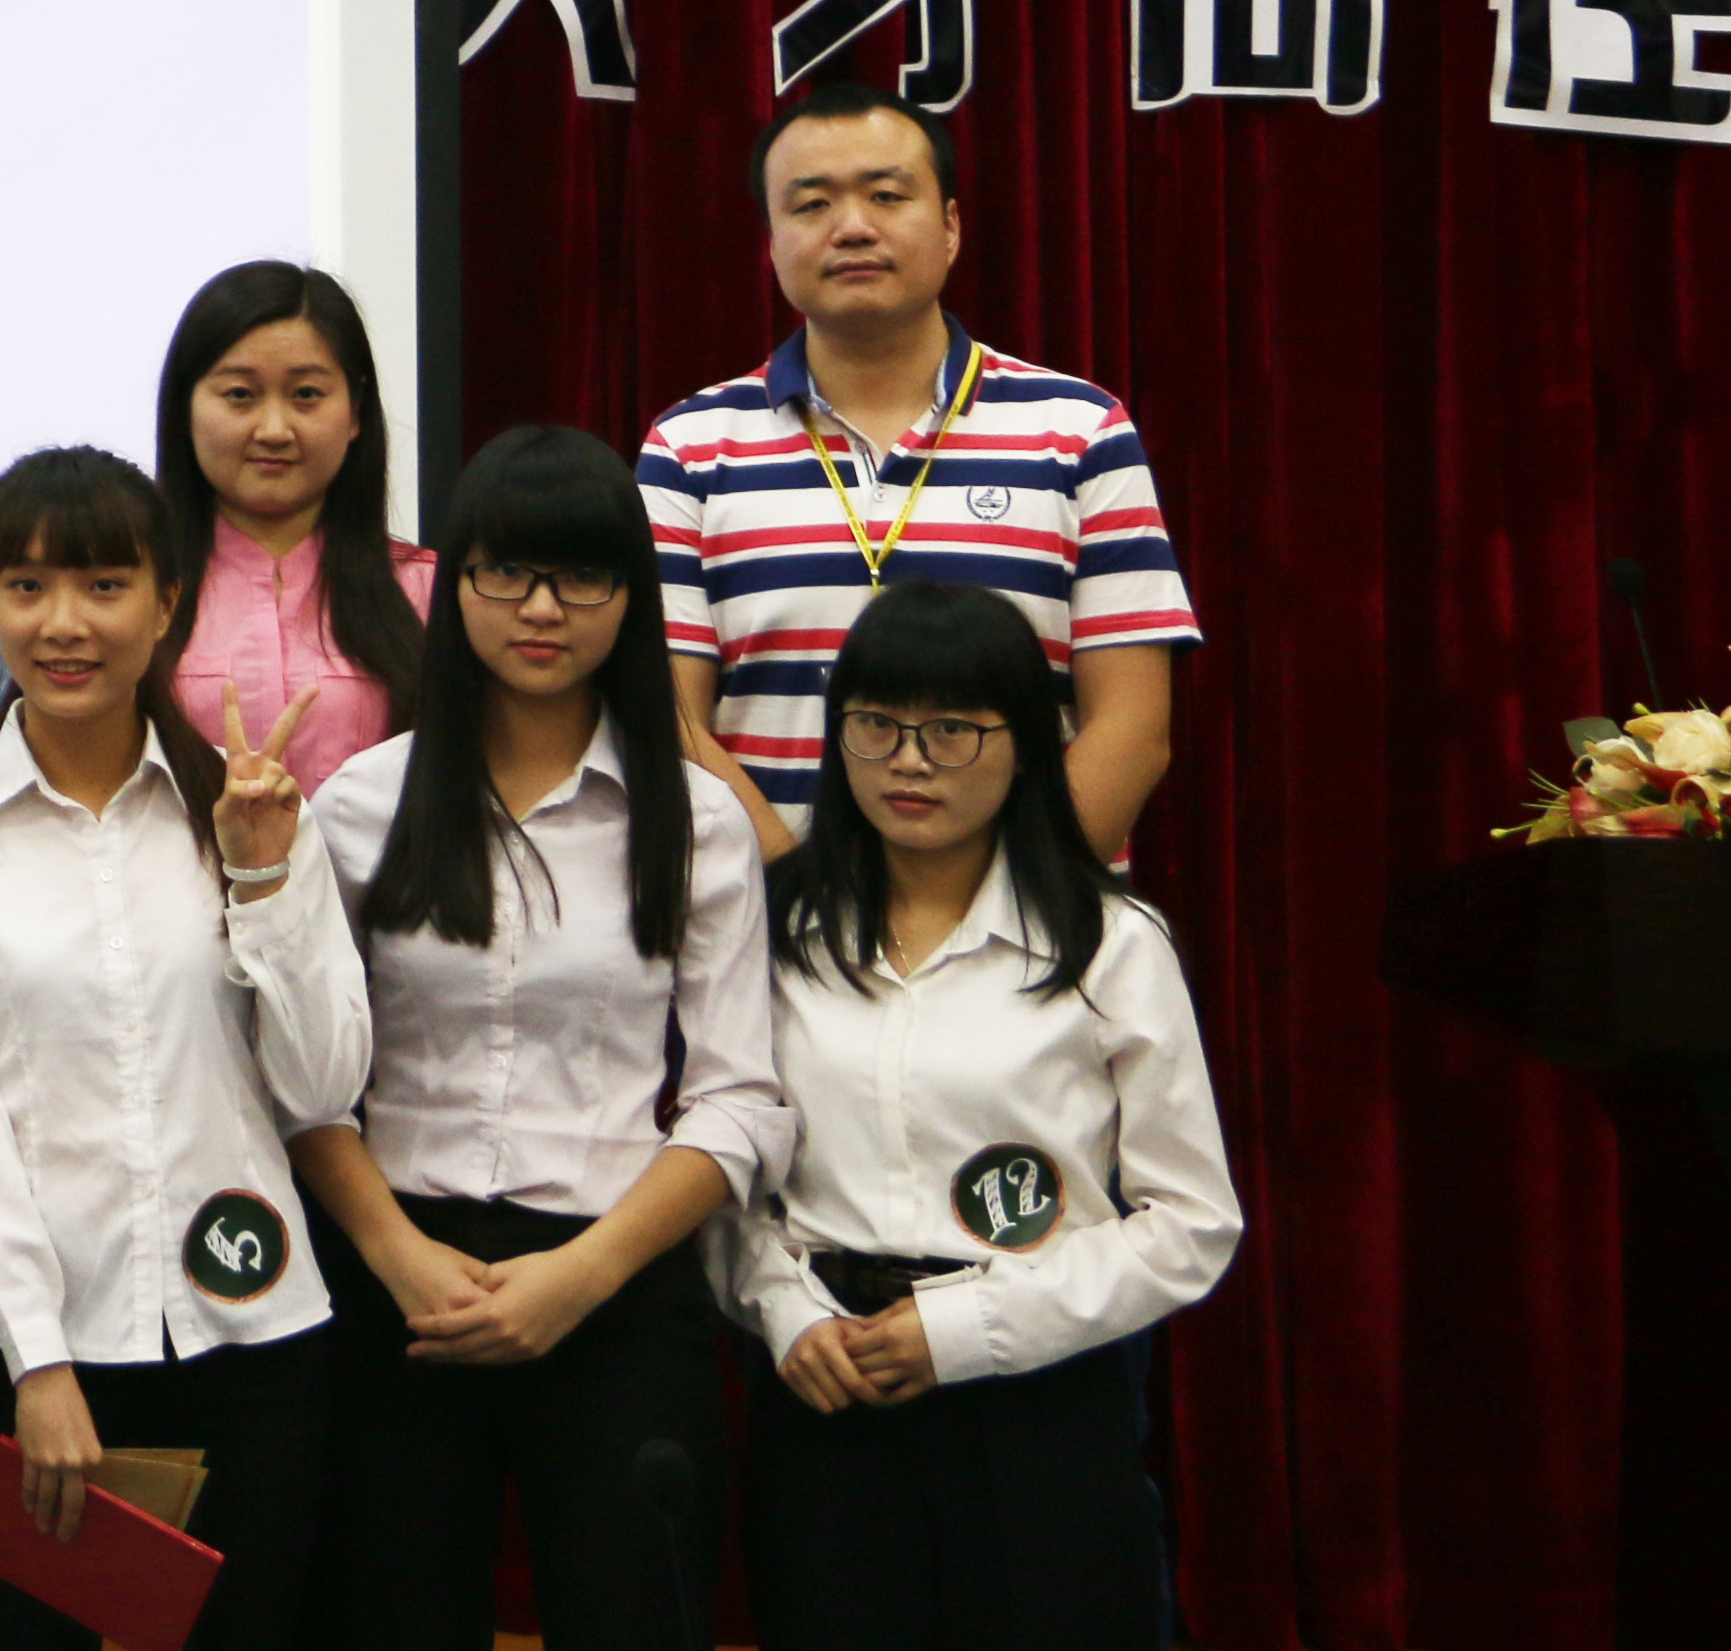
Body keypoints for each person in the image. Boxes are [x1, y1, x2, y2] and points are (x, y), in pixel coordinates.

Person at [290, 427, 788, 1651]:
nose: (543, 609)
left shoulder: (700, 820)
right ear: (455, 582)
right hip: (398, 1277)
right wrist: (397, 1255)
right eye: (506, 572)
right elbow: (301, 1079)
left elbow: (740, 1098)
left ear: (634, 595)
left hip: (618, 1279)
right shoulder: (360, 803)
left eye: (583, 576)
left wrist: (584, 1276)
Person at [0, 446, 364, 1651]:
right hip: (25, 1351)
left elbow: (322, 1086)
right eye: (26, 587)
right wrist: (39, 1363)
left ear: (165, 603)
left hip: (251, 1339)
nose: (65, 624)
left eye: (103, 585)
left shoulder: (248, 805)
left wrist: (262, 878)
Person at [716, 583, 1237, 1651]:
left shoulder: (1110, 944)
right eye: (877, 725)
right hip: (829, 1388)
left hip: (1040, 1394)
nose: (909, 763)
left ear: (1030, 743)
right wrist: (784, 1310)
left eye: (952, 730)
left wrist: (962, 1332)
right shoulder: (775, 931)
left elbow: (1192, 1223)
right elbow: (725, 1165)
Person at [639, 84, 1198, 861]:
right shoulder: (692, 448)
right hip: (773, 919)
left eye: (886, 195)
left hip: (1035, 920)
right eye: (811, 205)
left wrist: (1011, 910)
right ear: (769, 241)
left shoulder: (1079, 432)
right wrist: (799, 904)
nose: (853, 227)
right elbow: (669, 724)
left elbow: (1133, 728)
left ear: (951, 226)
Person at [151, 263, 434, 805]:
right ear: (186, 406)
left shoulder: (430, 593)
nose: (274, 430)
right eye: (240, 395)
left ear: (355, 411)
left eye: (306, 394)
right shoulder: (134, 590)